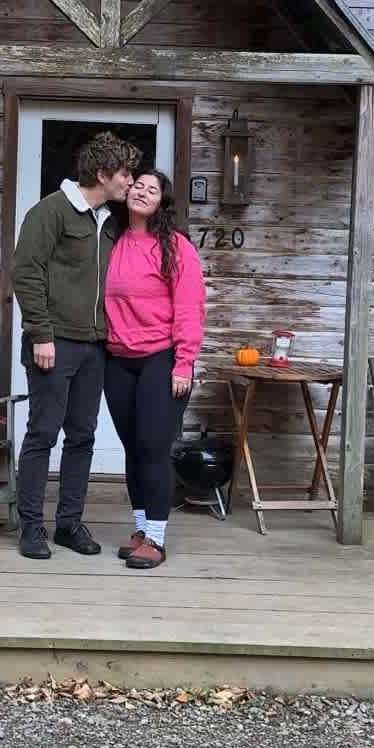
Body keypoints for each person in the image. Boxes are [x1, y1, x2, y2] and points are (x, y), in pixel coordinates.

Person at [11, 131, 141, 560]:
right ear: (102, 174)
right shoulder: (51, 212)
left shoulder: (110, 220)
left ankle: (68, 524)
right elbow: (26, 274)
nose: (130, 181)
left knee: (82, 436)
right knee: (42, 434)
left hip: (95, 346)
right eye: (124, 173)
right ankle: (31, 527)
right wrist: (41, 334)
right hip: (55, 343)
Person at [103, 170, 206, 571]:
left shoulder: (175, 247)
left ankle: (158, 540)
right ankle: (142, 529)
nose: (143, 192)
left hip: (162, 359)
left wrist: (184, 363)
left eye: (153, 189)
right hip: (118, 359)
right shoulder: (111, 242)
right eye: (138, 185)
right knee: (133, 448)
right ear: (126, 193)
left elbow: (190, 308)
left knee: (153, 447)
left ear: (162, 203)